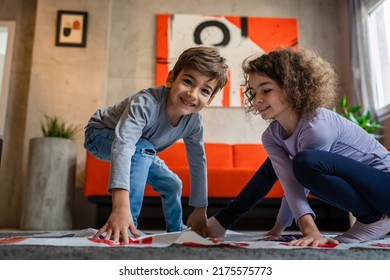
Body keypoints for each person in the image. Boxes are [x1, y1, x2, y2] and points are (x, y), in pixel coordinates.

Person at [206, 47, 390, 246]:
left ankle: (373, 219)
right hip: (365, 196)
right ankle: (223, 220)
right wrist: (277, 230)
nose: (257, 99)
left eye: (266, 90)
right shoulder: (272, 136)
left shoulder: (317, 126)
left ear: (291, 87)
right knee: (284, 165)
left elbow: (300, 182)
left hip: (385, 187)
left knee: (304, 162)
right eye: (253, 92)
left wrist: (309, 230)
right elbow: (291, 183)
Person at [84, 46, 228, 243]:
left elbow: (198, 162)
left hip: (142, 149)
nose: (192, 94)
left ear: (210, 99)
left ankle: (176, 231)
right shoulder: (145, 103)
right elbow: (124, 145)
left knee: (172, 184)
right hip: (100, 134)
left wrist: (200, 210)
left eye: (204, 90)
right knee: (142, 147)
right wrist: (120, 208)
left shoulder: (194, 123)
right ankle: (127, 224)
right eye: (187, 81)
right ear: (171, 79)